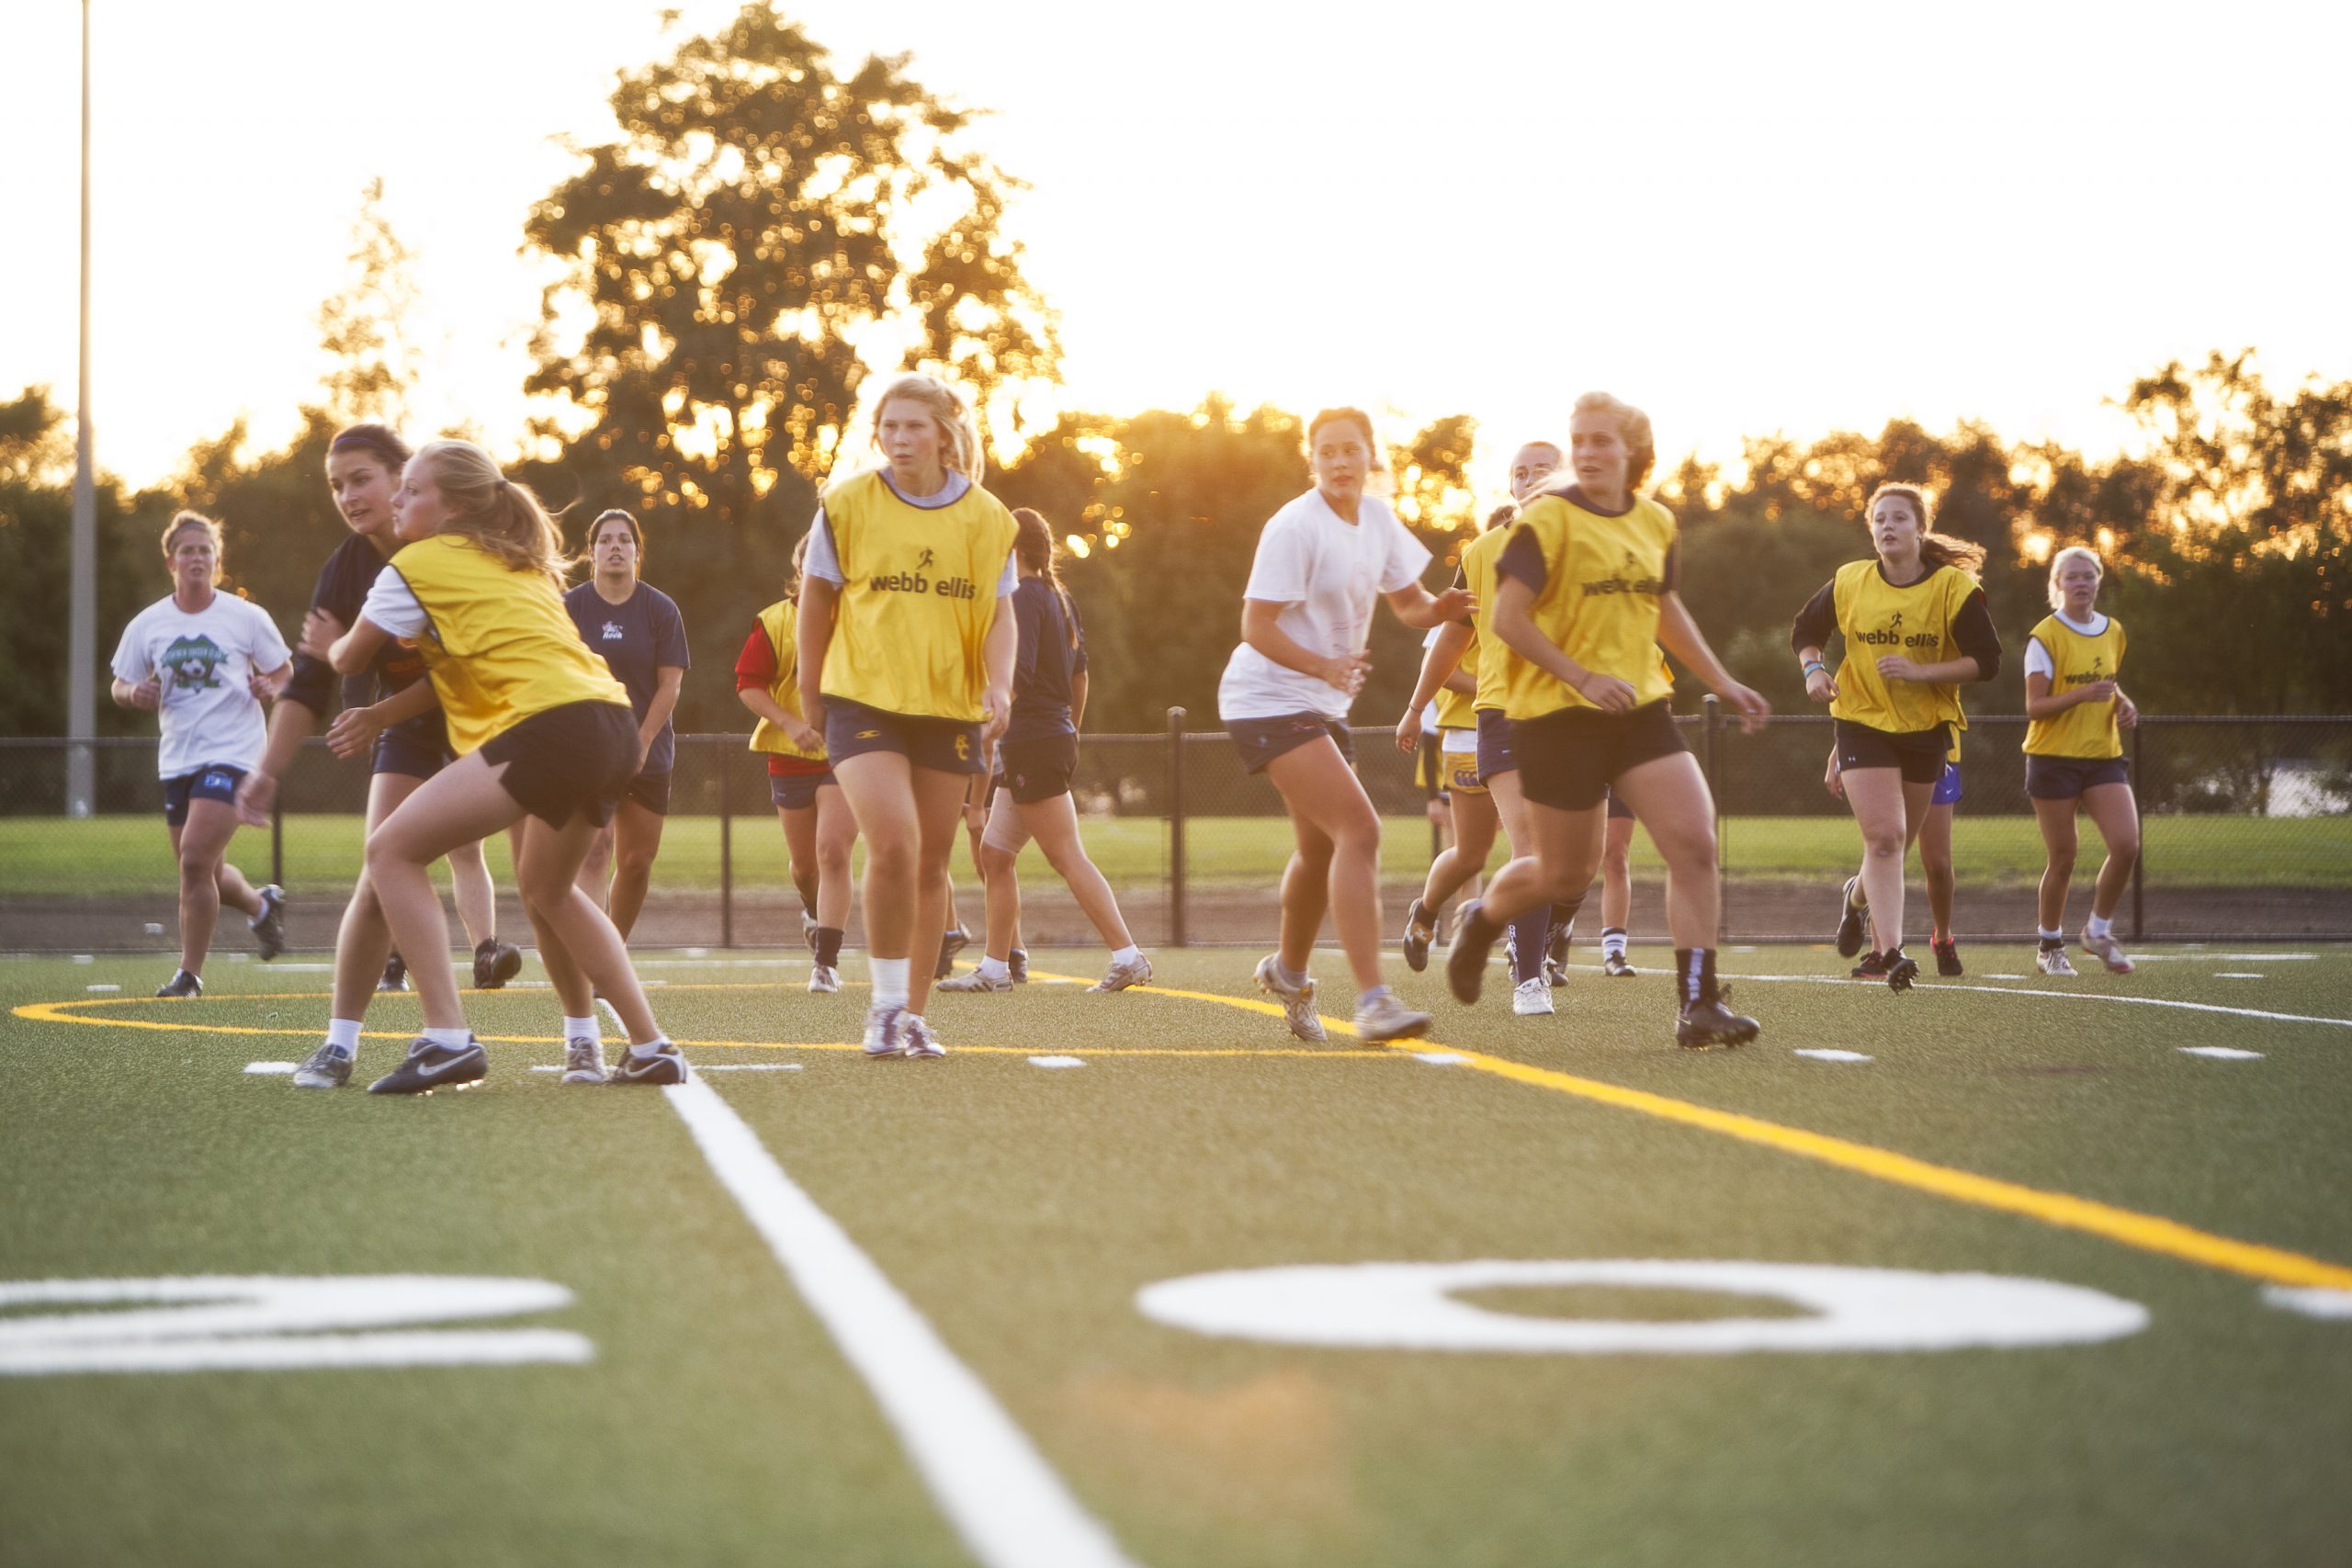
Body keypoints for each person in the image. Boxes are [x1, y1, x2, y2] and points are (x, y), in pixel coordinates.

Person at [317, 439, 686, 1092]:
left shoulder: (417, 561)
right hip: (611, 723)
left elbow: (350, 659)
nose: (397, 499)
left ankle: (447, 1037)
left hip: (551, 725)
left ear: (453, 504)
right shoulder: (518, 561)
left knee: (390, 852)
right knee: (550, 890)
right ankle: (652, 1044)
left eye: (412, 491)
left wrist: (330, 642)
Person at [1446, 392, 1771, 1048]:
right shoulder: (1546, 520)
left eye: (1602, 440)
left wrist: (1724, 681)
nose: (1589, 452)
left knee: (1695, 843)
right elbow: (1506, 621)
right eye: (1581, 441)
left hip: (1638, 710)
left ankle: (1698, 1004)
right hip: (1555, 714)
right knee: (1564, 875)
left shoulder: (1655, 520)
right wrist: (1582, 677)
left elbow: (1664, 608)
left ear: (1634, 451)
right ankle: (1482, 921)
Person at [235, 425, 526, 1089]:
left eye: (361, 478)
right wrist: (266, 773)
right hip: (414, 726)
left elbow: (462, 672)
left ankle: (584, 1039)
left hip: (493, 719)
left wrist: (375, 711)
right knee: (379, 866)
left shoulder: (455, 549)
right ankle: (341, 1045)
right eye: (336, 484)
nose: (348, 495)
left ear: (405, 477)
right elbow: (310, 682)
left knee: (545, 880)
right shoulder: (345, 568)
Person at [1217, 407, 1475, 1045]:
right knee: (1360, 828)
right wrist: (1324, 666)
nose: (1338, 461)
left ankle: (1287, 971)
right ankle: (1374, 1000)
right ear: (1312, 460)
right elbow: (1255, 625)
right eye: (1326, 451)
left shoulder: (1379, 518)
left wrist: (1440, 607)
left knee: (1321, 848)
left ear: (1370, 457)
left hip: (1320, 703)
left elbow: (1409, 603)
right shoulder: (1293, 526)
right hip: (1266, 696)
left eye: (1349, 450)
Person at [796, 372, 1021, 1060]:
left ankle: (915, 1016)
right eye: (889, 425)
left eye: (913, 425)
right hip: (862, 698)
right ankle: (886, 1009)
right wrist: (811, 689)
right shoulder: (846, 503)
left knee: (931, 862)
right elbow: (815, 600)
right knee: (891, 842)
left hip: (945, 706)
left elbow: (1001, 612)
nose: (898, 438)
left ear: (945, 434)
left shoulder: (987, 518)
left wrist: (1001, 686)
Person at [1792, 482, 2000, 991]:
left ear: (1920, 528)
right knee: (1884, 838)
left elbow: (1988, 662)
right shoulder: (1850, 580)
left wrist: (1920, 672)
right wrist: (1814, 671)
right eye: (1879, 519)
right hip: (1860, 719)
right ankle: (1890, 951)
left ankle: (1856, 900)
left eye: (1899, 519)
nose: (1888, 527)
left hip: (1926, 727)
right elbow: (1805, 631)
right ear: (1872, 530)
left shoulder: (1954, 588)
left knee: (1896, 845)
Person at [939, 507, 1151, 994]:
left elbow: (1020, 672)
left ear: (1013, 550)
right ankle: (995, 968)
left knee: (1066, 856)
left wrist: (992, 723)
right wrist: (1069, 730)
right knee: (995, 854)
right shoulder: (1059, 597)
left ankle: (1128, 955)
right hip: (1043, 739)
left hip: (1033, 740)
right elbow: (1082, 674)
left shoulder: (1023, 596)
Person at [111, 511, 292, 998]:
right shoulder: (149, 624)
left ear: (217, 561)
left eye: (205, 549)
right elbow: (120, 683)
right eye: (187, 550)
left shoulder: (246, 616)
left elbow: (285, 672)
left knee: (194, 861)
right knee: (205, 869)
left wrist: (268, 685)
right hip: (178, 758)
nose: (197, 557)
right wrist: (134, 695)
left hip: (235, 753)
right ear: (171, 560)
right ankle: (261, 906)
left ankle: (188, 976)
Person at [1395, 502, 1549, 1011]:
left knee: (1537, 846)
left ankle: (1526, 958)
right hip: (1468, 727)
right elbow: (1446, 665)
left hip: (1531, 719)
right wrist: (1418, 708)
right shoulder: (1472, 582)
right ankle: (1427, 912)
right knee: (1472, 853)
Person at [736, 533, 859, 994]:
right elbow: (749, 686)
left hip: (845, 752)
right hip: (790, 755)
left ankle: (826, 963)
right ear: (800, 568)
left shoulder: (855, 619)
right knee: (805, 867)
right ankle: (812, 908)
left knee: (833, 851)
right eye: (814, 564)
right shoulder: (773, 622)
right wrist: (791, 724)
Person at [566, 509, 690, 941]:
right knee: (595, 852)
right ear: (591, 552)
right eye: (605, 540)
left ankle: (611, 948)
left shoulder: (661, 610)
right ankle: (592, 956)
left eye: (624, 540)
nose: (615, 546)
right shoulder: (570, 607)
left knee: (636, 863)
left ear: (638, 552)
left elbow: (670, 685)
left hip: (647, 752)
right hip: (587, 754)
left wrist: (641, 741)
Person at [2022, 545, 2140, 976]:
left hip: (2102, 755)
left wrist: (2124, 703)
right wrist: (2082, 696)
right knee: (2064, 858)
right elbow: (2035, 707)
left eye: (2087, 576)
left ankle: (2097, 930)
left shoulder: (2114, 631)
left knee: (2126, 845)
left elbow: (2107, 682)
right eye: (2071, 577)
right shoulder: (2045, 636)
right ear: (2057, 586)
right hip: (2052, 758)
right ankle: (2049, 945)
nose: (2080, 583)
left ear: (2098, 581)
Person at [1827, 725, 1966, 977]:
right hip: (1881, 739)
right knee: (1887, 848)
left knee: (1938, 864)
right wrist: (1839, 748)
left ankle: (1942, 937)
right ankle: (1883, 950)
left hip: (1932, 740)